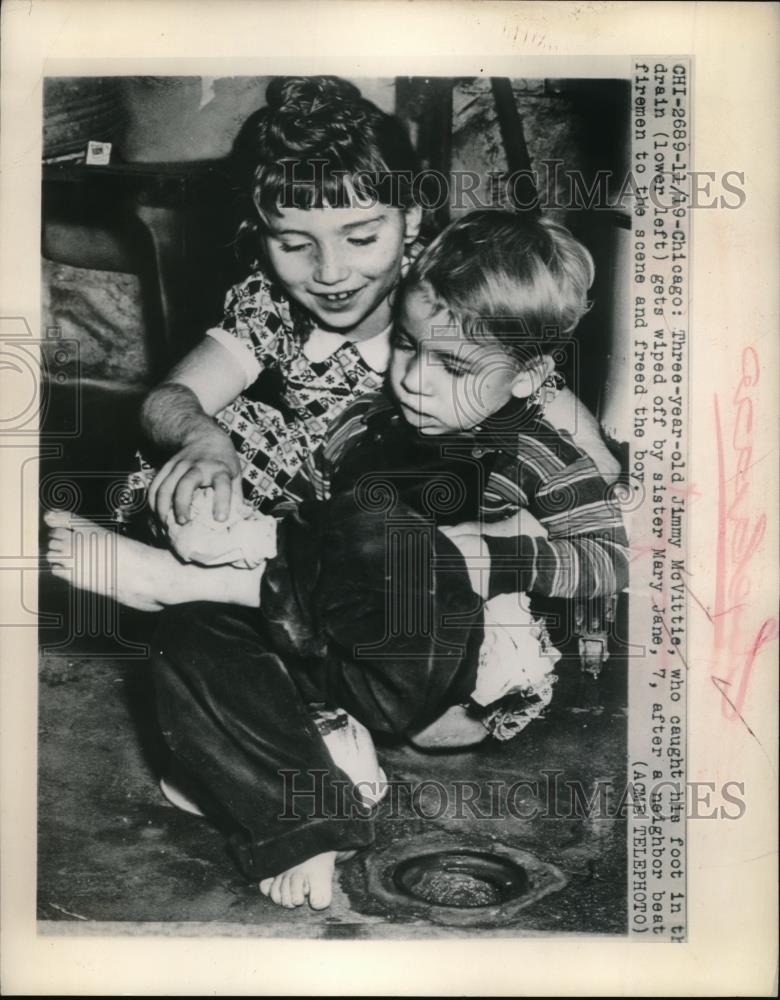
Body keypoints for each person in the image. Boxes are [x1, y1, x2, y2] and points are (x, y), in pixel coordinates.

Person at [47, 209, 628, 911]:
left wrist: (495, 558)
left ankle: (194, 580)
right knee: (191, 635)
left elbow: (608, 561)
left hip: (453, 687)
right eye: (409, 347)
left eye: (455, 367)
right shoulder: (367, 425)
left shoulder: (542, 455)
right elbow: (324, 555)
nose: (415, 379)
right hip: (341, 653)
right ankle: (309, 816)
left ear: (530, 376)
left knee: (393, 538)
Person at [131, 74, 618, 530]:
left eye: (361, 239)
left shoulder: (445, 291)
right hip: (285, 505)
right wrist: (203, 439)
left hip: (397, 512)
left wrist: (591, 493)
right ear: (259, 238)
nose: (330, 273)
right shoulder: (271, 308)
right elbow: (169, 398)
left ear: (410, 219)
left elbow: (561, 413)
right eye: (295, 246)